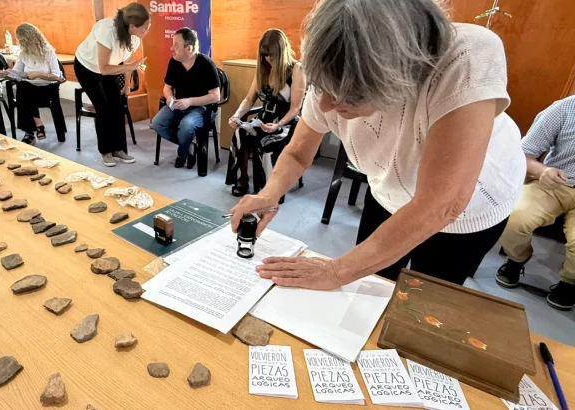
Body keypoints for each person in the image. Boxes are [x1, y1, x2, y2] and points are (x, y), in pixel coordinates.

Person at [230, 0, 526, 290]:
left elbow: (441, 205)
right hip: (389, 187)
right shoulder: (333, 67)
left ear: (396, 77)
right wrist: (270, 194)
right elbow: (296, 154)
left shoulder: (467, 57)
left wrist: (336, 271)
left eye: (345, 94)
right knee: (372, 283)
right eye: (322, 87)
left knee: (425, 303)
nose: (324, 104)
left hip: (465, 208)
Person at [497, 96, 575, 310]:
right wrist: (543, 170)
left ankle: (569, 282)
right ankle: (517, 259)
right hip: (555, 184)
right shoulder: (564, 108)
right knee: (513, 216)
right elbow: (523, 154)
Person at [225, 29, 305, 196]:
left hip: (286, 122)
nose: (269, 59)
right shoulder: (263, 69)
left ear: (281, 52)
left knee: (269, 141)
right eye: (265, 55)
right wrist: (236, 115)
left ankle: (270, 188)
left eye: (272, 55)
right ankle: (242, 179)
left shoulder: (296, 69)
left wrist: (278, 124)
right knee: (241, 132)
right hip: (263, 119)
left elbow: (295, 108)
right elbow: (248, 99)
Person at [74, 2, 150, 167]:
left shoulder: (136, 38)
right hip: (87, 67)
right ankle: (106, 151)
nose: (147, 30)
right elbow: (104, 69)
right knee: (103, 108)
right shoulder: (107, 30)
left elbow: (127, 60)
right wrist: (130, 66)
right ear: (132, 26)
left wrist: (127, 84)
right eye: (145, 27)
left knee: (117, 106)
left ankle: (119, 149)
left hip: (111, 68)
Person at [151, 28, 221, 169]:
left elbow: (215, 96)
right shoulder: (174, 62)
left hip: (201, 108)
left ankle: (182, 154)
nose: (171, 48)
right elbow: (167, 87)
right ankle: (189, 145)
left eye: (176, 45)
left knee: (186, 126)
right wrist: (170, 98)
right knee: (157, 123)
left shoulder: (206, 65)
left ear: (189, 48)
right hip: (178, 105)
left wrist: (189, 101)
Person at [12, 23, 63, 144]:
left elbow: (57, 76)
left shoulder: (48, 52)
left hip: (47, 88)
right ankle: (37, 125)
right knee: (23, 87)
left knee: (24, 94)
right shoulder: (23, 54)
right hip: (29, 89)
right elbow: (16, 72)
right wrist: (6, 73)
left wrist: (38, 75)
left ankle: (29, 133)